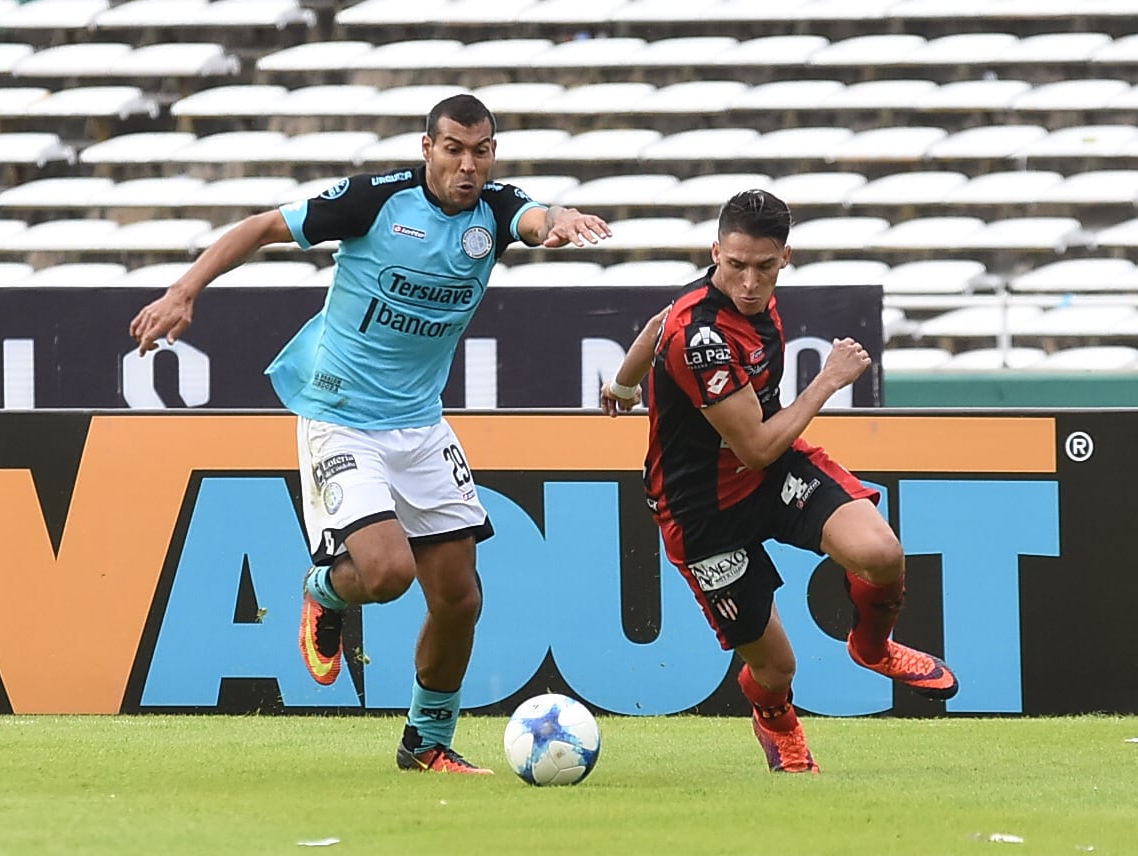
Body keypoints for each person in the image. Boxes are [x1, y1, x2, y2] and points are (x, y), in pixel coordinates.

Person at [130, 94, 611, 774]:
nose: (467, 166)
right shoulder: (373, 201)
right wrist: (186, 290)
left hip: (419, 424)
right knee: (386, 574)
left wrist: (560, 221)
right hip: (340, 414)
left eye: (480, 152)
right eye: (453, 149)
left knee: (459, 597)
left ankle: (425, 743)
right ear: (427, 149)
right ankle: (325, 591)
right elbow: (265, 225)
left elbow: (535, 219)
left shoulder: (495, 211)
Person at [600, 188, 957, 773]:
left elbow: (655, 322)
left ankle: (871, 647)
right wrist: (828, 379)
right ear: (716, 252)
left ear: (784, 259)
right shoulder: (702, 339)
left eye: (763, 267)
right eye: (735, 266)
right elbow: (758, 444)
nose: (747, 281)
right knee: (776, 669)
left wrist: (622, 385)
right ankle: (777, 723)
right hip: (703, 510)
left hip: (770, 476)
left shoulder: (721, 296)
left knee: (882, 554)